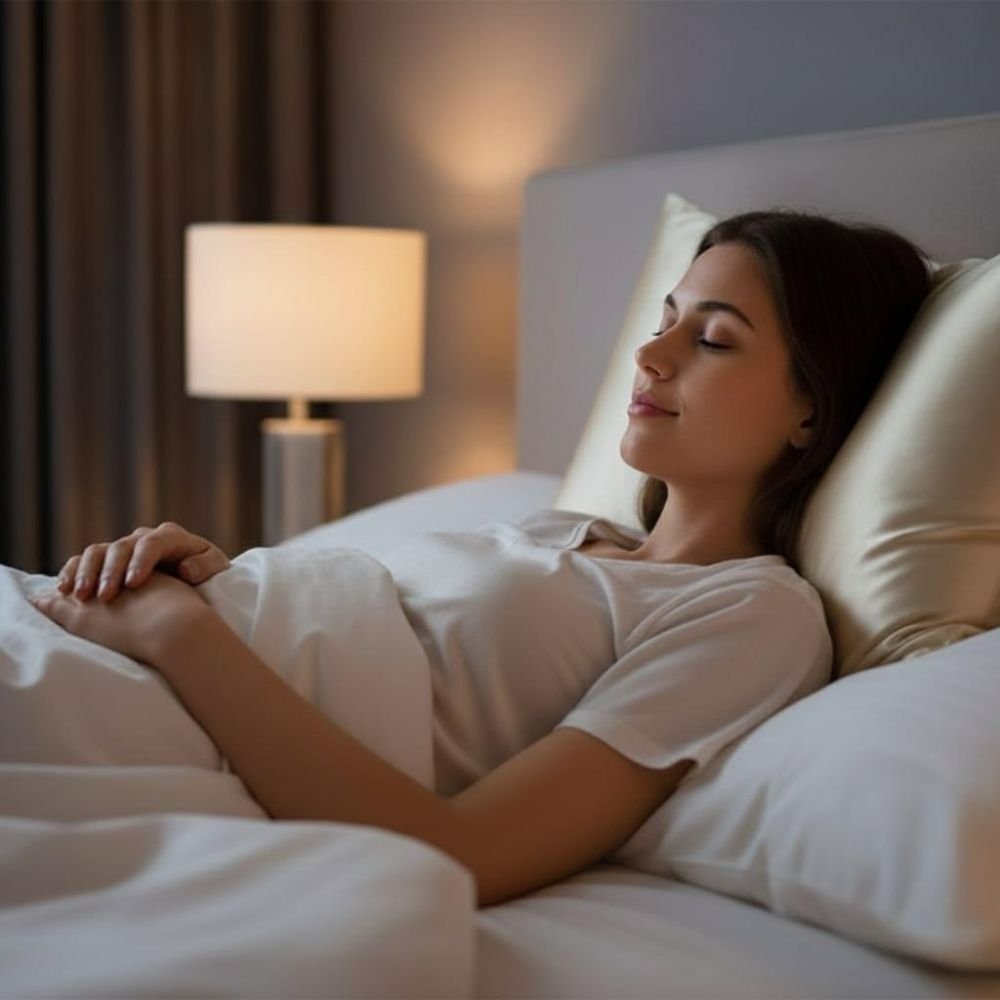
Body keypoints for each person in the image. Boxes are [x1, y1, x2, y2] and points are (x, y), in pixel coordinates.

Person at [29, 209, 932, 909]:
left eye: (714, 339)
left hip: (158, 697)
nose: (649, 354)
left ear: (811, 409)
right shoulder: (557, 529)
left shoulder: (755, 614)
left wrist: (181, 632)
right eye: (665, 319)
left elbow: (461, 853)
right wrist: (202, 576)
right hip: (96, 634)